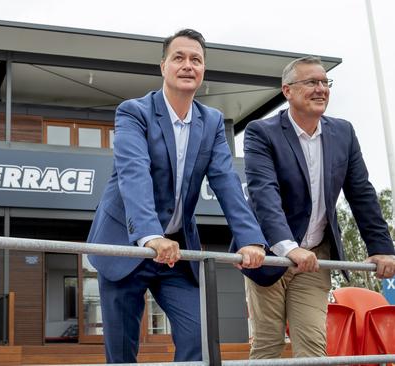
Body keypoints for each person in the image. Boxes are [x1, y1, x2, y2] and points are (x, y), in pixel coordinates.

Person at [86, 28, 267, 363]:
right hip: (124, 243)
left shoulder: (210, 121)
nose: (188, 65)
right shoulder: (134, 112)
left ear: (203, 70)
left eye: (196, 59)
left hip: (175, 252)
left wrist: (250, 239)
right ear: (163, 67)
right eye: (179, 58)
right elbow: (133, 172)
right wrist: (150, 234)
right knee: (122, 354)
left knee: (199, 336)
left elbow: (226, 180)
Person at [242, 55, 395, 359]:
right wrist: (288, 247)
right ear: (287, 90)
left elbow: (361, 193)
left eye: (325, 82)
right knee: (268, 344)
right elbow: (264, 194)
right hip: (269, 255)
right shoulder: (261, 132)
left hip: (315, 255)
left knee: (314, 348)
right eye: (311, 82)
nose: (321, 89)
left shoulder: (343, 133)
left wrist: (382, 247)